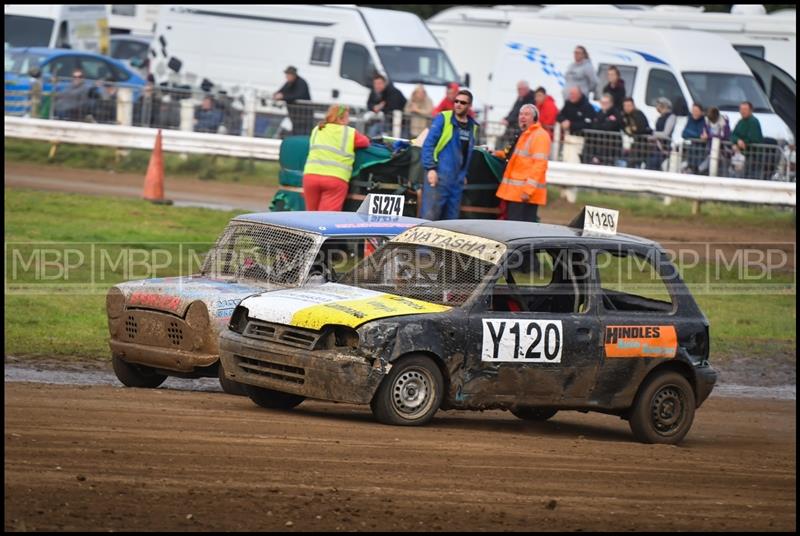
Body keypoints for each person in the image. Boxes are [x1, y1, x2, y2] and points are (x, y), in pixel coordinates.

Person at [421, 89, 479, 220]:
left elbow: (467, 153)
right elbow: (428, 144)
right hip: (439, 176)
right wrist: (430, 169)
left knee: (451, 221)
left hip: (457, 180)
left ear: (469, 106)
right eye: (456, 101)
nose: (458, 104)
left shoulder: (472, 126)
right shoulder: (444, 118)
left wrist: (464, 174)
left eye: (463, 102)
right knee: (430, 218)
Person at [302, 104, 370, 211]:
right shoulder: (350, 132)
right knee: (327, 220)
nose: (348, 120)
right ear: (341, 118)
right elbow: (365, 142)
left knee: (310, 216)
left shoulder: (317, 129)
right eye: (347, 117)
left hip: (310, 176)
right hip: (335, 179)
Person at [495, 104, 551, 223]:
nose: (522, 117)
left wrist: (528, 190)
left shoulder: (540, 136)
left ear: (535, 118)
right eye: (521, 114)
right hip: (515, 194)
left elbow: (539, 165)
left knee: (520, 230)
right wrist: (497, 153)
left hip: (524, 195)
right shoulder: (525, 134)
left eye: (527, 114)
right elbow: (512, 154)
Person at [583, 94, 623, 165]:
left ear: (611, 103)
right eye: (602, 102)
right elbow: (593, 125)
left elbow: (609, 126)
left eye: (606, 103)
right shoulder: (599, 113)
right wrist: (601, 124)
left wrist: (599, 125)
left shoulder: (616, 113)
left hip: (611, 147)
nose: (604, 104)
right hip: (599, 146)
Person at [273, 65, 312, 135]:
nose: (287, 77)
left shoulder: (301, 83)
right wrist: (276, 95)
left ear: (293, 75)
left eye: (288, 75)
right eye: (287, 75)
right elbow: (281, 91)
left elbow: (299, 95)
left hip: (304, 115)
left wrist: (283, 97)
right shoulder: (288, 83)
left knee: (303, 132)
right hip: (295, 115)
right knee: (296, 131)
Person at [731, 101, 766, 179]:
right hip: (742, 155)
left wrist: (742, 143)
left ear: (751, 110)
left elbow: (753, 138)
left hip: (753, 155)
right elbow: (733, 135)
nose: (742, 111)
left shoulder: (754, 121)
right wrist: (737, 141)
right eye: (741, 109)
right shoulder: (740, 122)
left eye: (745, 109)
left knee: (750, 177)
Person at [697, 106, 731, 174]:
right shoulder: (707, 120)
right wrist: (703, 135)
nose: (711, 121)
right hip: (709, 147)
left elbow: (724, 136)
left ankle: (699, 169)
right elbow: (704, 130)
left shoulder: (723, 122)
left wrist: (709, 136)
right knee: (711, 161)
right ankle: (700, 170)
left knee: (722, 166)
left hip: (723, 149)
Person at [647, 97, 677, 170]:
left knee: (656, 165)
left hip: (664, 147)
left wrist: (653, 133)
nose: (657, 107)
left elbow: (666, 133)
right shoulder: (659, 117)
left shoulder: (671, 116)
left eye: (658, 105)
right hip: (656, 147)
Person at [621, 97, 652, 168]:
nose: (627, 108)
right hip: (635, 143)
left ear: (633, 105)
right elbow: (625, 128)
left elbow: (640, 129)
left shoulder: (638, 114)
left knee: (635, 162)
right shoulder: (625, 115)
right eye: (625, 106)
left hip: (643, 143)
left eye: (629, 106)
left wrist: (632, 130)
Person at [681, 103, 708, 173]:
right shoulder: (690, 119)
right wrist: (697, 135)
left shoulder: (704, 121)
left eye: (696, 111)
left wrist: (691, 134)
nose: (694, 113)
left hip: (700, 149)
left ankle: (695, 170)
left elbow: (701, 133)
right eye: (693, 111)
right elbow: (684, 133)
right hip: (691, 147)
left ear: (701, 112)